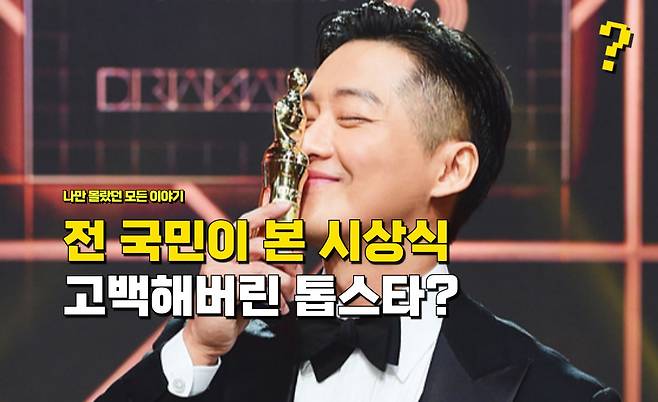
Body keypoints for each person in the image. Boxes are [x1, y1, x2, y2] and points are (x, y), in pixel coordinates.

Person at [98, 1, 620, 401]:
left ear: (451, 168)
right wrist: (197, 350)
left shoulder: (552, 392)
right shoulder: (212, 351)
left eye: (351, 118)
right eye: (305, 118)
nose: (308, 143)